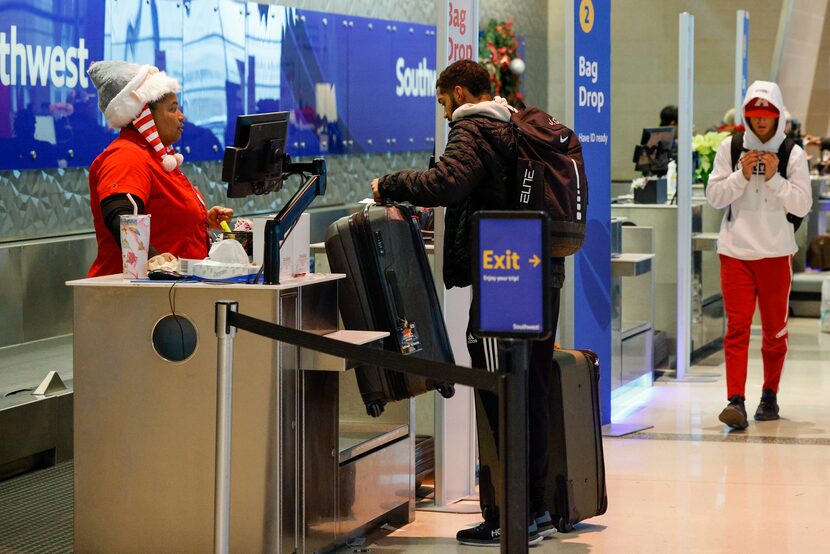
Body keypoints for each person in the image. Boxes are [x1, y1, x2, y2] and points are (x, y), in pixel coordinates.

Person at [370, 59, 564, 547]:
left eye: (441, 101)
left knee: (500, 394)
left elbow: (446, 183)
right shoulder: (512, 121)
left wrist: (389, 184)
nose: (442, 112)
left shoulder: (473, 127)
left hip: (505, 275)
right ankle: (533, 508)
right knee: (530, 389)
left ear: (458, 92)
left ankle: (511, 515)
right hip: (537, 269)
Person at [706, 80, 811, 430]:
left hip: (777, 254)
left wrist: (775, 180)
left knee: (774, 332)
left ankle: (770, 394)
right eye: (754, 114)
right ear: (746, 114)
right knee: (736, 329)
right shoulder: (730, 148)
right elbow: (715, 197)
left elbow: (803, 203)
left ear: (778, 115)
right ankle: (735, 400)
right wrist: (741, 174)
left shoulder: (793, 153)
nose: (761, 121)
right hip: (735, 253)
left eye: (767, 114)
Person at [85, 61, 233, 277]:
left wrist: (200, 221)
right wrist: (157, 264)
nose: (181, 116)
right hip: (133, 297)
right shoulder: (127, 156)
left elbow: (159, 216)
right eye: (172, 109)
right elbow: (121, 217)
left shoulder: (156, 157)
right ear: (144, 115)